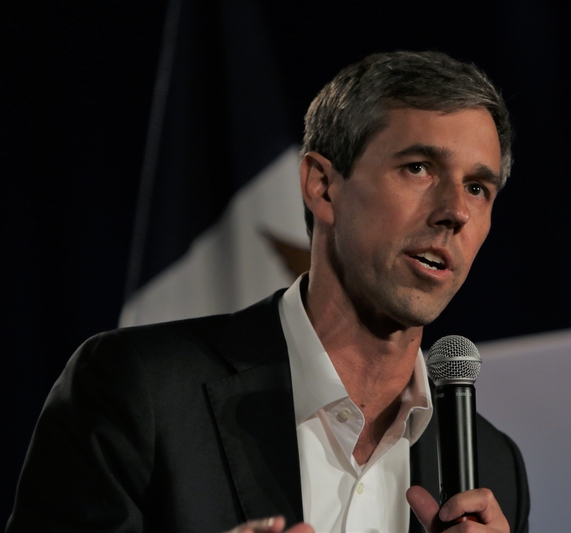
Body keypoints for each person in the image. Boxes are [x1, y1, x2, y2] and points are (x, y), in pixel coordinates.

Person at [7, 51, 529, 533]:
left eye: (477, 188)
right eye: (418, 168)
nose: (455, 211)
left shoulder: (493, 466)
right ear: (322, 186)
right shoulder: (141, 389)